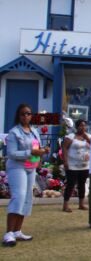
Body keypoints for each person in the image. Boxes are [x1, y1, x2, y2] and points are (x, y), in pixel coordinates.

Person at [3, 104, 49, 247]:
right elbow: (11, 153)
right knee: (19, 196)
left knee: (27, 198)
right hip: (17, 167)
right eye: (23, 114)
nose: (26, 116)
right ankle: (9, 233)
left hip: (31, 167)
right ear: (18, 116)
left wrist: (42, 152)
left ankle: (17, 231)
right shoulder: (14, 133)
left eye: (28, 113)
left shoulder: (34, 131)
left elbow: (37, 148)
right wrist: (30, 153)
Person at [62, 119, 91, 212]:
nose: (82, 127)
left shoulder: (89, 136)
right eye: (80, 125)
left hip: (85, 165)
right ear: (76, 127)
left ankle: (81, 204)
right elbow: (64, 148)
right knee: (70, 184)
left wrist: (86, 137)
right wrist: (65, 161)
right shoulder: (71, 137)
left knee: (82, 184)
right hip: (72, 165)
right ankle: (65, 205)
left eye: (84, 126)